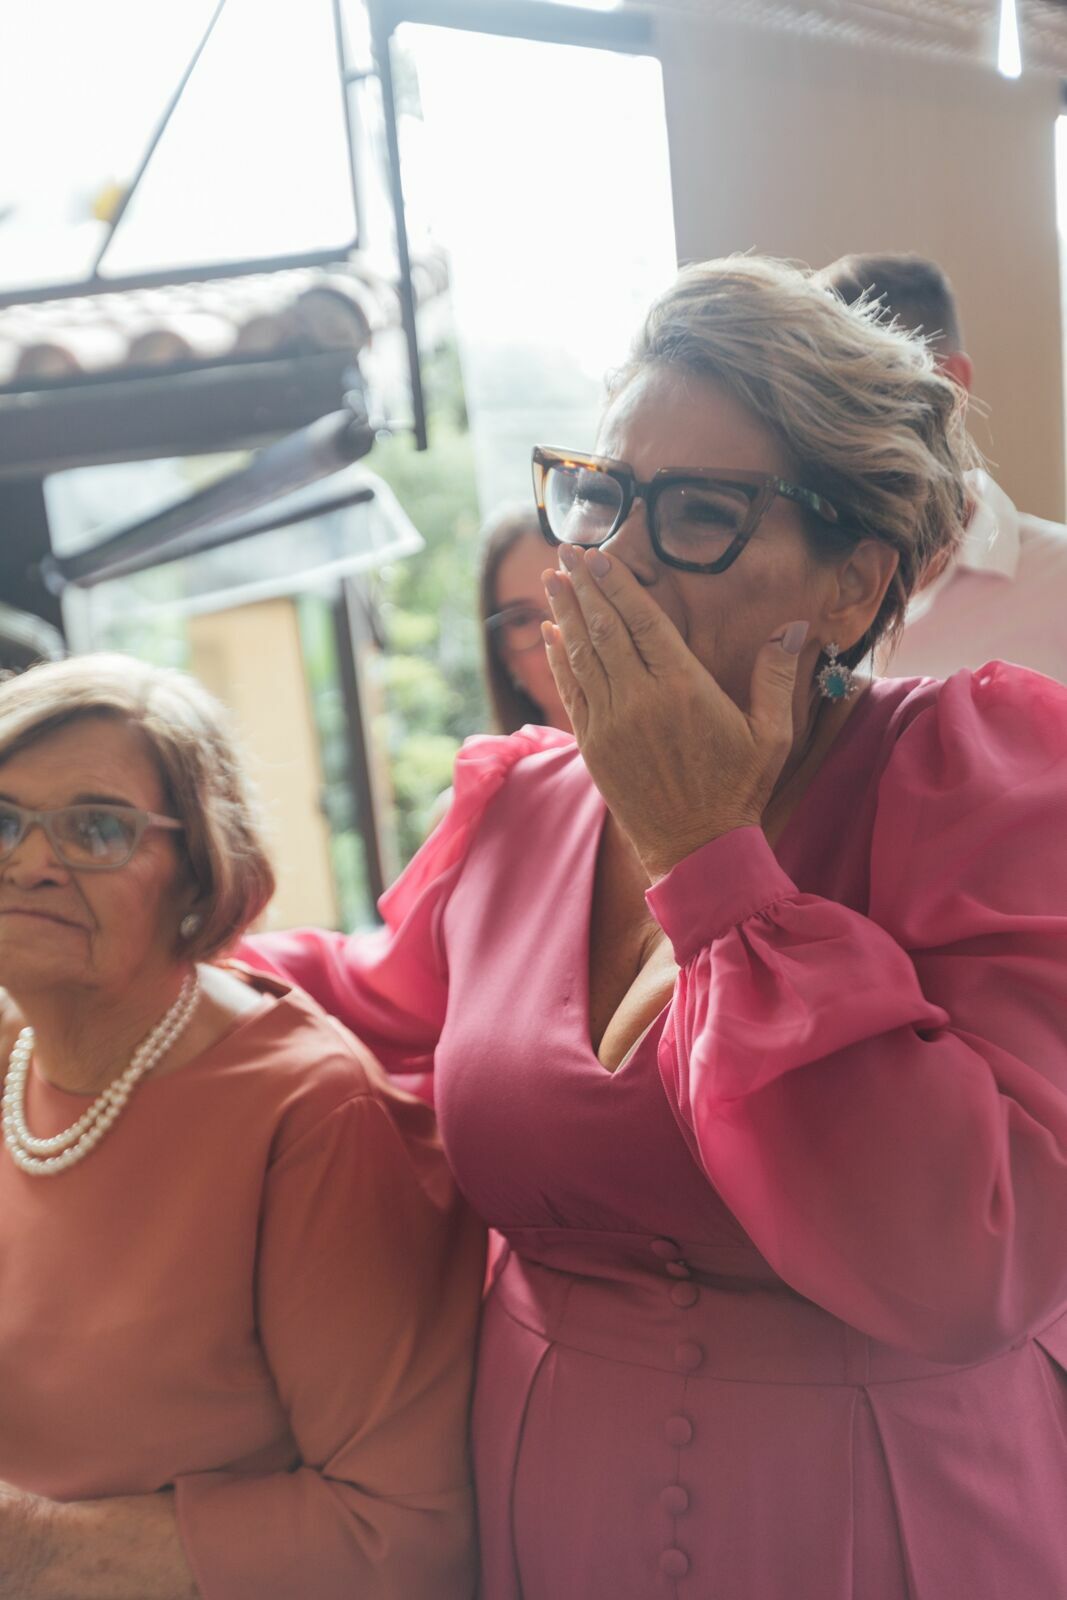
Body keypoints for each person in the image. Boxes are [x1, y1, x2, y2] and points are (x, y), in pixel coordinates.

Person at [242, 256, 1067, 1599]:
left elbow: (975, 1255)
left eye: (696, 515)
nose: (611, 558)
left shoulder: (982, 783)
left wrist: (706, 859)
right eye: (601, 497)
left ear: (854, 587)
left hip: (897, 1528)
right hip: (553, 1519)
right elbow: (359, 1006)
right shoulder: (517, 811)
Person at [0, 655, 483, 1600]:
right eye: (1, 820)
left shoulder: (311, 1112)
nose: (28, 862)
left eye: (96, 827)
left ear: (203, 873)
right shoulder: (11, 1047)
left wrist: (29, 1549)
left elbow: (403, 1538)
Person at [818, 251, 1067, 681]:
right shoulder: (797, 600)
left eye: (861, 398)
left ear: (950, 387)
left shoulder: (1058, 584)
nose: (833, 436)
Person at [478, 505, 570, 731]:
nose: (556, 634)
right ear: (502, 651)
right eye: (522, 620)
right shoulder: (490, 765)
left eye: (572, 601)